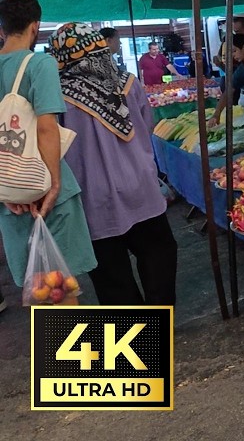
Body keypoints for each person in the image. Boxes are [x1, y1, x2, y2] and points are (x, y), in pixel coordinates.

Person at [48, 24, 177, 306]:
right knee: (159, 255)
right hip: (140, 188)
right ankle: (160, 317)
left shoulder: (56, 98)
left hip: (92, 198)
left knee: (110, 273)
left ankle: (134, 331)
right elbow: (148, 126)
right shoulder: (128, 83)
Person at [0, 0, 97, 291]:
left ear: (1, 29)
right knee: (60, 287)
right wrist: (53, 184)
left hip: (9, 198)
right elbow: (46, 127)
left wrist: (5, 191)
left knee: (36, 287)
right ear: (35, 27)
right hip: (46, 191)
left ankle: (48, 337)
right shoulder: (40, 64)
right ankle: (67, 338)